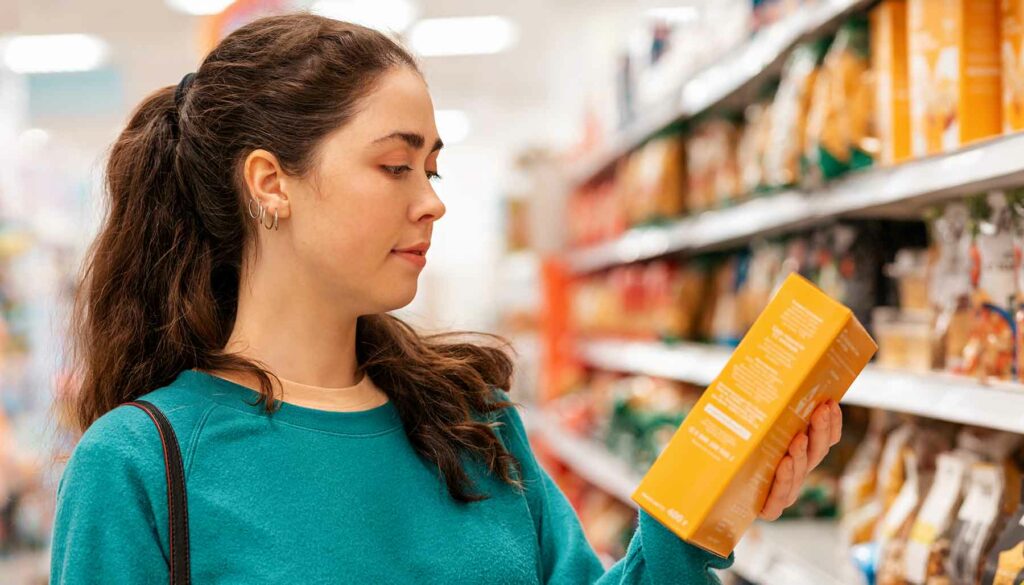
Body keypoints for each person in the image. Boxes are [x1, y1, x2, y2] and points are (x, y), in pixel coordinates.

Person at [49, 14, 843, 584]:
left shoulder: (469, 419)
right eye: (396, 166)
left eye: (433, 169)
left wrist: (694, 524)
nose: (432, 201)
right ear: (270, 184)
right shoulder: (138, 466)